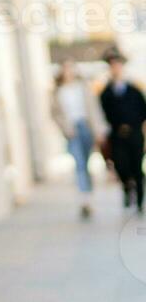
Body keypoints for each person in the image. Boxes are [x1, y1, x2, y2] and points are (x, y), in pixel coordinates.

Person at [49, 59, 105, 219]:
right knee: (79, 164)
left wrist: (99, 130)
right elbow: (54, 114)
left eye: (71, 68)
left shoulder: (83, 88)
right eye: (66, 69)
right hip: (71, 130)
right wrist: (65, 129)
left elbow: (94, 109)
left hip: (85, 127)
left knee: (87, 164)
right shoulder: (57, 91)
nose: (69, 72)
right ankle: (84, 200)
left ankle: (89, 195)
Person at [99, 48, 146, 215]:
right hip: (117, 135)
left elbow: (143, 110)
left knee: (137, 165)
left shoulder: (134, 90)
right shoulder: (106, 93)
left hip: (134, 133)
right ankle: (127, 187)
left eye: (118, 65)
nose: (115, 68)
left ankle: (140, 200)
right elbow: (102, 113)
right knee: (121, 165)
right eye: (112, 65)